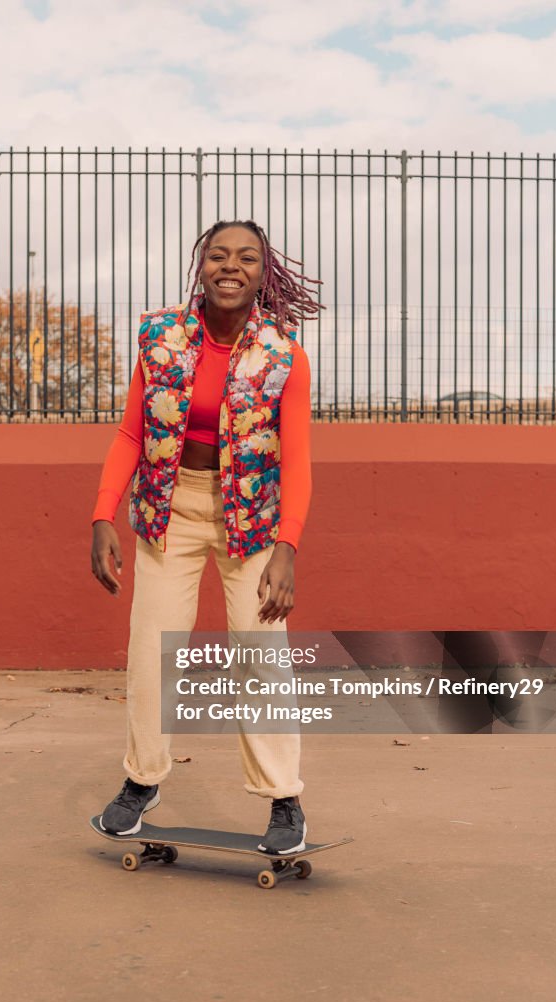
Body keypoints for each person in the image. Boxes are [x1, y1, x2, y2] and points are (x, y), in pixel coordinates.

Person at [90, 219, 322, 856]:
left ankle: (284, 799)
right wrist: (102, 514)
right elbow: (131, 434)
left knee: (261, 657)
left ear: (262, 272)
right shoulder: (159, 339)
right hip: (170, 513)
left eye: (246, 257)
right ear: (201, 265)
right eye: (218, 254)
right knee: (151, 650)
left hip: (252, 522)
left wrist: (288, 547)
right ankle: (141, 783)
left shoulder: (283, 354)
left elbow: (297, 461)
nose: (231, 265)